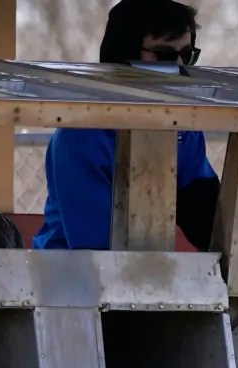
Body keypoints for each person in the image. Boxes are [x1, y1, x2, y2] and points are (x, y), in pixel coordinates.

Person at [31, 0, 220, 251]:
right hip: (70, 269)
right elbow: (97, 247)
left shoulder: (182, 127)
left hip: (149, 264)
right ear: (125, 54)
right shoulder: (82, 134)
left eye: (186, 55)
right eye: (163, 56)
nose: (178, 67)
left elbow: (205, 211)